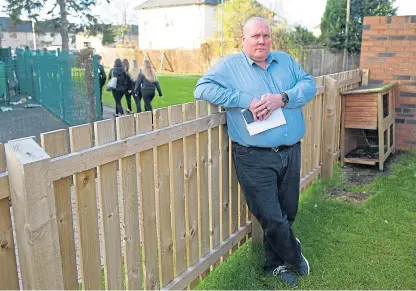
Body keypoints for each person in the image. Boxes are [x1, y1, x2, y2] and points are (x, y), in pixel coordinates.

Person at [194, 17, 316, 287]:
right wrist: (244, 100)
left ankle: (276, 264)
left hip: (290, 150)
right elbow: (201, 88)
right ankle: (294, 255)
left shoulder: (284, 61)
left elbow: (309, 84)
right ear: (243, 39)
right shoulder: (229, 66)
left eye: (266, 35)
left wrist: (282, 98)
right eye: (255, 36)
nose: (262, 41)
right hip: (254, 157)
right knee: (271, 216)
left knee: (288, 211)